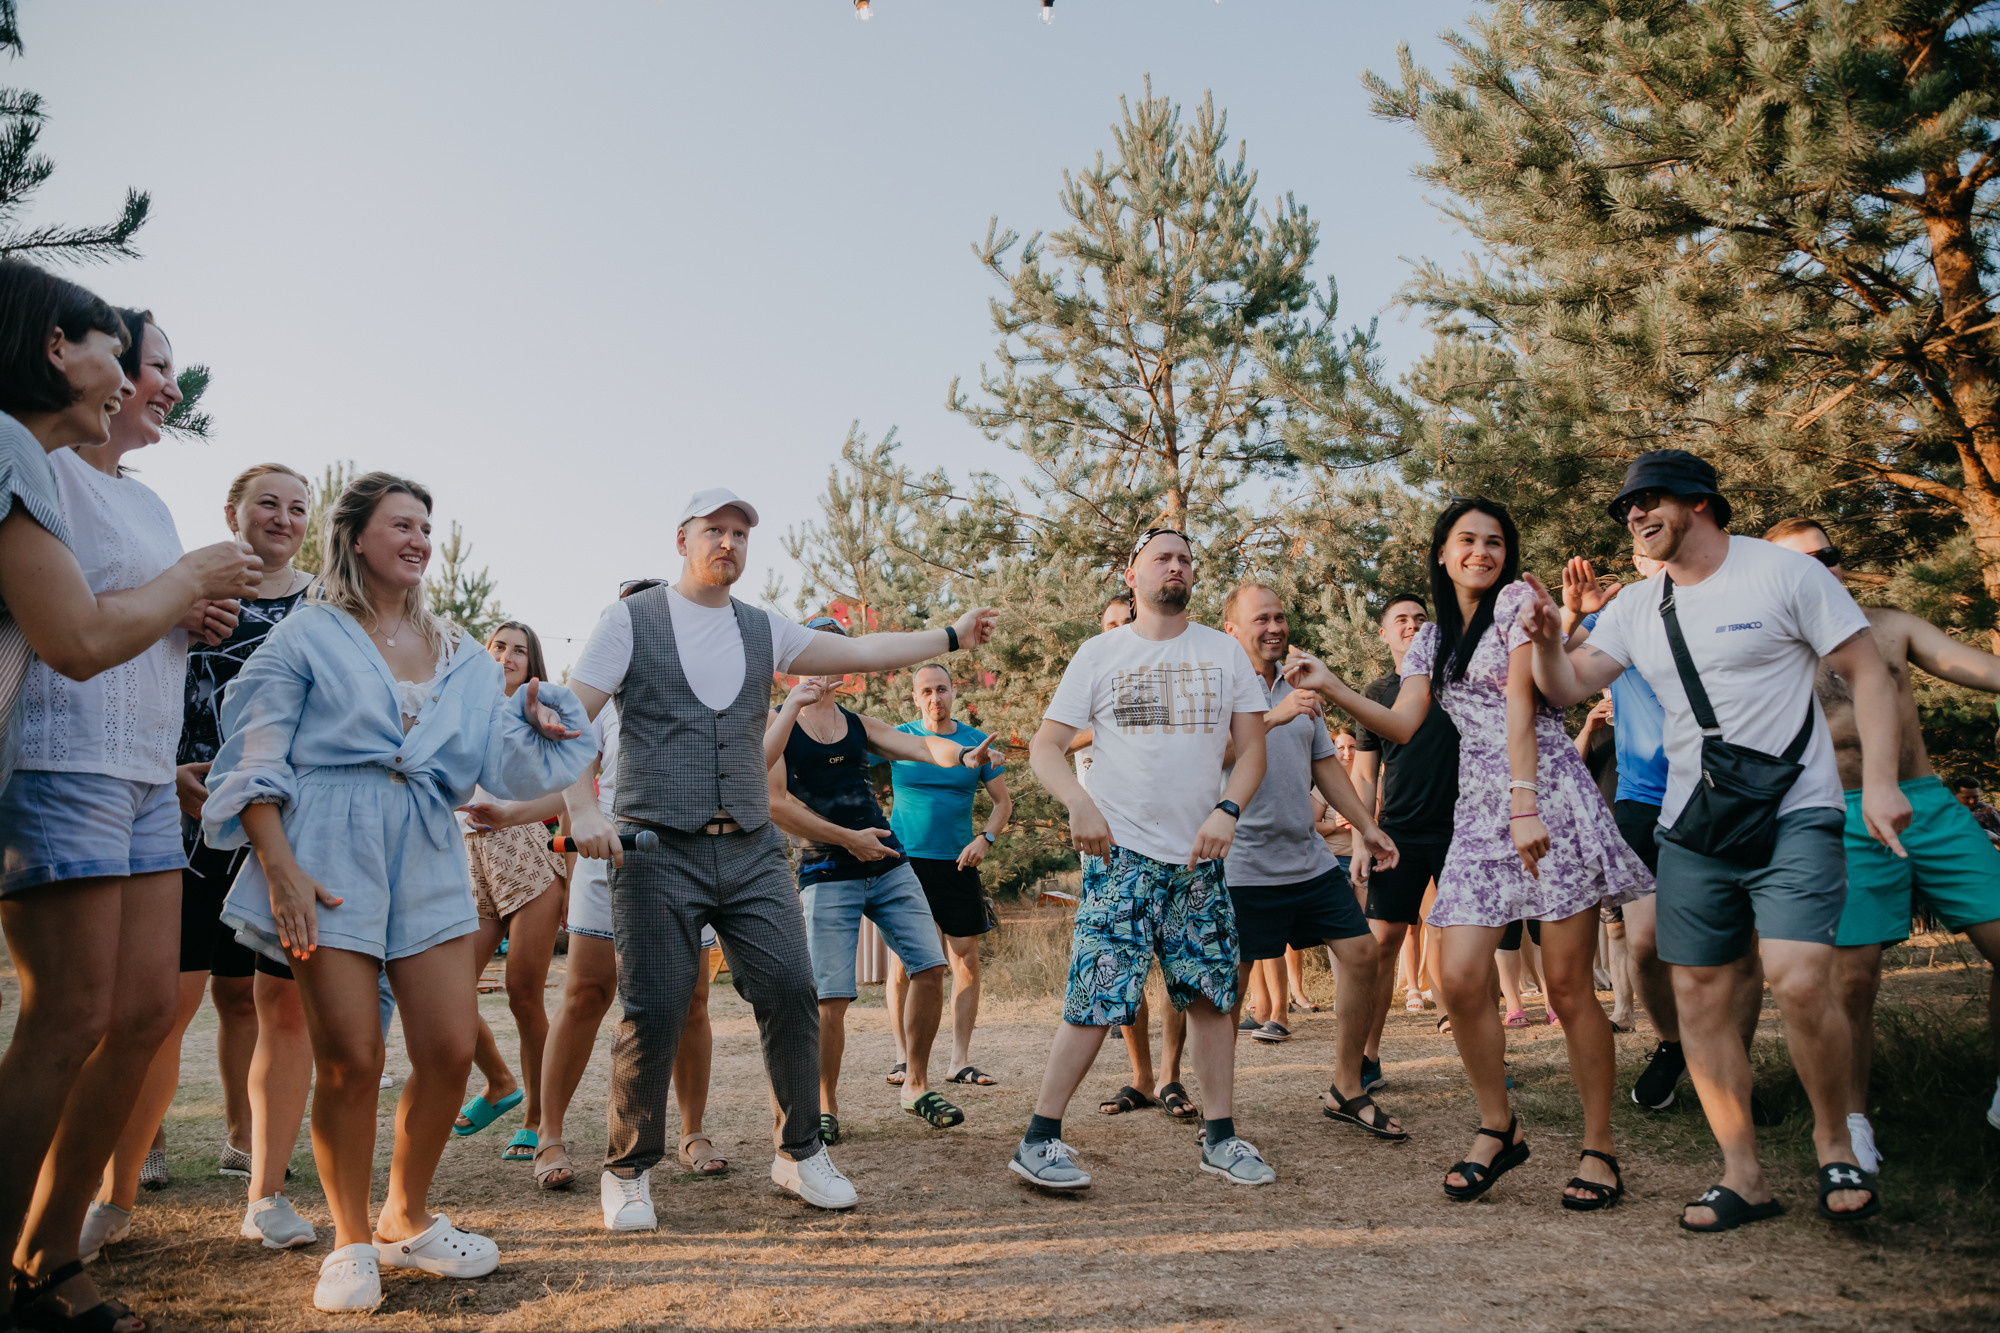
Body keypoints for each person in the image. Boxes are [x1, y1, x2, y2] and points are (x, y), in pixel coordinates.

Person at [203, 472, 592, 1312]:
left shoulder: (457, 650)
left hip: (424, 842)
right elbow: (255, 757)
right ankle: (348, 1240)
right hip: (327, 843)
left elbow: (498, 764)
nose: (418, 538)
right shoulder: (306, 636)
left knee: (452, 1048)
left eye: (426, 526)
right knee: (351, 1056)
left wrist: (541, 720)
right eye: (401, 524)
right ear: (356, 535)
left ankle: (405, 1214)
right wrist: (280, 867)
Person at [561, 488, 995, 1227]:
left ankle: (798, 1152)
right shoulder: (630, 620)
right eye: (713, 530)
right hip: (657, 847)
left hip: (753, 851)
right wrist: (580, 807)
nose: (728, 541)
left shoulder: (761, 628)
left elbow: (861, 651)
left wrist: (950, 635)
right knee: (656, 1009)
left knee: (793, 990)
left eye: (739, 532)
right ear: (682, 539)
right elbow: (573, 715)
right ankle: (629, 1168)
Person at [1521, 449, 1908, 1231]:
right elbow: (1565, 687)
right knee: (1697, 993)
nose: (1634, 515)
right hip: (1695, 822)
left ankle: (1835, 1144)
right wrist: (1548, 635)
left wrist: (1888, 781)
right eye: (1627, 508)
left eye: (1649, 499)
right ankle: (1743, 1175)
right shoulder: (1636, 603)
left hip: (1796, 809)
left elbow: (1867, 670)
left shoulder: (1782, 575)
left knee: (1799, 980)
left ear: (1699, 502)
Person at [0, 300, 261, 1333]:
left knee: (150, 1012)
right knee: (66, 1016)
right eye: (150, 361)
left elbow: (141, 616)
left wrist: (191, 614)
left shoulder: (149, 506)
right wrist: (183, 583)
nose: (160, 383)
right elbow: (69, 629)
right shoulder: (35, 461)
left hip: (152, 771)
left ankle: (48, 1251)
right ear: (65, 355)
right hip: (64, 762)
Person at [1289, 497, 1652, 1211]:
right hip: (1480, 810)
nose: (1481, 551)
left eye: (1494, 541)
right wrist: (1331, 686)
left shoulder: (1518, 601)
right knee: (1457, 977)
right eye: (1467, 540)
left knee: (1571, 986)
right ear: (1443, 551)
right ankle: (1499, 1125)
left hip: (1543, 795)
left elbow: (1524, 703)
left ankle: (1599, 1145)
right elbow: (1402, 719)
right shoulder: (1429, 637)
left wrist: (1524, 805)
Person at [83, 463, 317, 1265]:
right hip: (180, 827)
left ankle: (267, 1194)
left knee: (284, 1015)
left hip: (282, 839)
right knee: (153, 1015)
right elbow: (128, 677)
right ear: (233, 513)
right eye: (267, 504)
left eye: (297, 507)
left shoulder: (324, 607)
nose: (282, 518)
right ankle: (111, 1197)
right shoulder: (179, 590)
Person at [1015, 526, 1271, 1191]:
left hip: (1197, 860)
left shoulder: (1225, 653)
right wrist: (1077, 800)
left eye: (1186, 558)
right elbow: (1045, 748)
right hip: (1119, 854)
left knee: (1213, 996)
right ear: (1133, 574)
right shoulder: (1099, 653)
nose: (1177, 566)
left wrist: (1228, 810)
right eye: (1163, 557)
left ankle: (1220, 1137)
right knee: (1097, 996)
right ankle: (1039, 1138)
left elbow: (1254, 753)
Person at [1764, 518, 2000, 1160]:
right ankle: (1853, 1122)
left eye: (1829, 555)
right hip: (1836, 813)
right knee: (1854, 980)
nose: (1822, 569)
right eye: (1801, 564)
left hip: (1927, 803)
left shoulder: (1889, 626)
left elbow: (1981, 668)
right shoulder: (1774, 649)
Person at [763, 631, 993, 1143]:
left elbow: (917, 745)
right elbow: (775, 804)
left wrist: (961, 757)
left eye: (833, 655)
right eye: (813, 655)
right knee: (832, 997)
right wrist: (849, 839)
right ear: (796, 664)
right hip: (826, 869)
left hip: (888, 862)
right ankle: (824, 1106)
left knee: (931, 968)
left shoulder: (856, 724)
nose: (823, 666)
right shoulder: (778, 722)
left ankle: (916, 1086)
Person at [537, 579, 727, 1191]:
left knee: (691, 1001)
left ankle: (692, 1132)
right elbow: (568, 772)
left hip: (688, 855)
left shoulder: (705, 689)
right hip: (606, 850)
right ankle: (550, 1136)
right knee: (587, 994)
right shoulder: (596, 695)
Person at [1562, 553, 1768, 1108]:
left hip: (1724, 789)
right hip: (1644, 796)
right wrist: (1571, 613)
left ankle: (1731, 1075)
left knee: (1738, 945)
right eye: (1645, 542)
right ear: (1636, 556)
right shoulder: (1621, 610)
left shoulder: (1726, 600)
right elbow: (1550, 670)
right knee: (1648, 943)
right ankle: (1674, 1044)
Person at [1218, 583, 1404, 1137]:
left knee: (1362, 953)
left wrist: (1368, 828)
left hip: (1307, 856)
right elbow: (1208, 756)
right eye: (1261, 619)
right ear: (1232, 630)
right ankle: (1218, 1106)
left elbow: (1326, 765)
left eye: (1280, 617)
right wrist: (1272, 716)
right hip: (1242, 864)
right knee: (1231, 984)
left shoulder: (1300, 682)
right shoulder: (1220, 685)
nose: (1275, 628)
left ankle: (1347, 1087)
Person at [1068, 592, 1197, 1121]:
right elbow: (1057, 739)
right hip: (1105, 846)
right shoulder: (1094, 673)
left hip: (1171, 842)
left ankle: (1171, 1076)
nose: (1122, 629)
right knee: (1121, 966)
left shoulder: (1170, 680)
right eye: (1112, 623)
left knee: (1178, 965)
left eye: (1129, 620)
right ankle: (1141, 1076)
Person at [450, 620, 572, 1165]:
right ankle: (500, 1082)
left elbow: (567, 793)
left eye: (519, 650)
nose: (506, 656)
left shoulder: (540, 715)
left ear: (532, 663)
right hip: (467, 860)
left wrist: (566, 874)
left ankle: (540, 1119)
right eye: (498, 646)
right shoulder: (457, 709)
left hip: (527, 855)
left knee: (525, 994)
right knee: (449, 992)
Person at [1347, 593, 1459, 1083]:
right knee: (1382, 944)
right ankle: (1366, 1057)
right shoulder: (1375, 694)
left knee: (1464, 944)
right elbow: (1365, 776)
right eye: (1400, 620)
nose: (1411, 625)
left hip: (1462, 830)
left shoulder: (1457, 683)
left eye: (1420, 618)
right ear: (1384, 633)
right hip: (1399, 834)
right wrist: (1361, 839)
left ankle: (1484, 1055)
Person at [883, 660, 1011, 1088]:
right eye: (926, 692)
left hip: (958, 863)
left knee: (966, 959)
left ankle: (959, 1060)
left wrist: (985, 840)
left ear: (954, 691)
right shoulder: (899, 739)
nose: (935, 698)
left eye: (942, 689)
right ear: (915, 698)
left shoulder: (978, 743)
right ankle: (903, 1057)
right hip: (905, 863)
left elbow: (1002, 804)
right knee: (905, 962)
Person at [1955, 777, 2000, 845]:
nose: (1972, 801)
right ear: (1955, 794)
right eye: (1967, 798)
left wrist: (1995, 838)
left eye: (1975, 797)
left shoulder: (1987, 811)